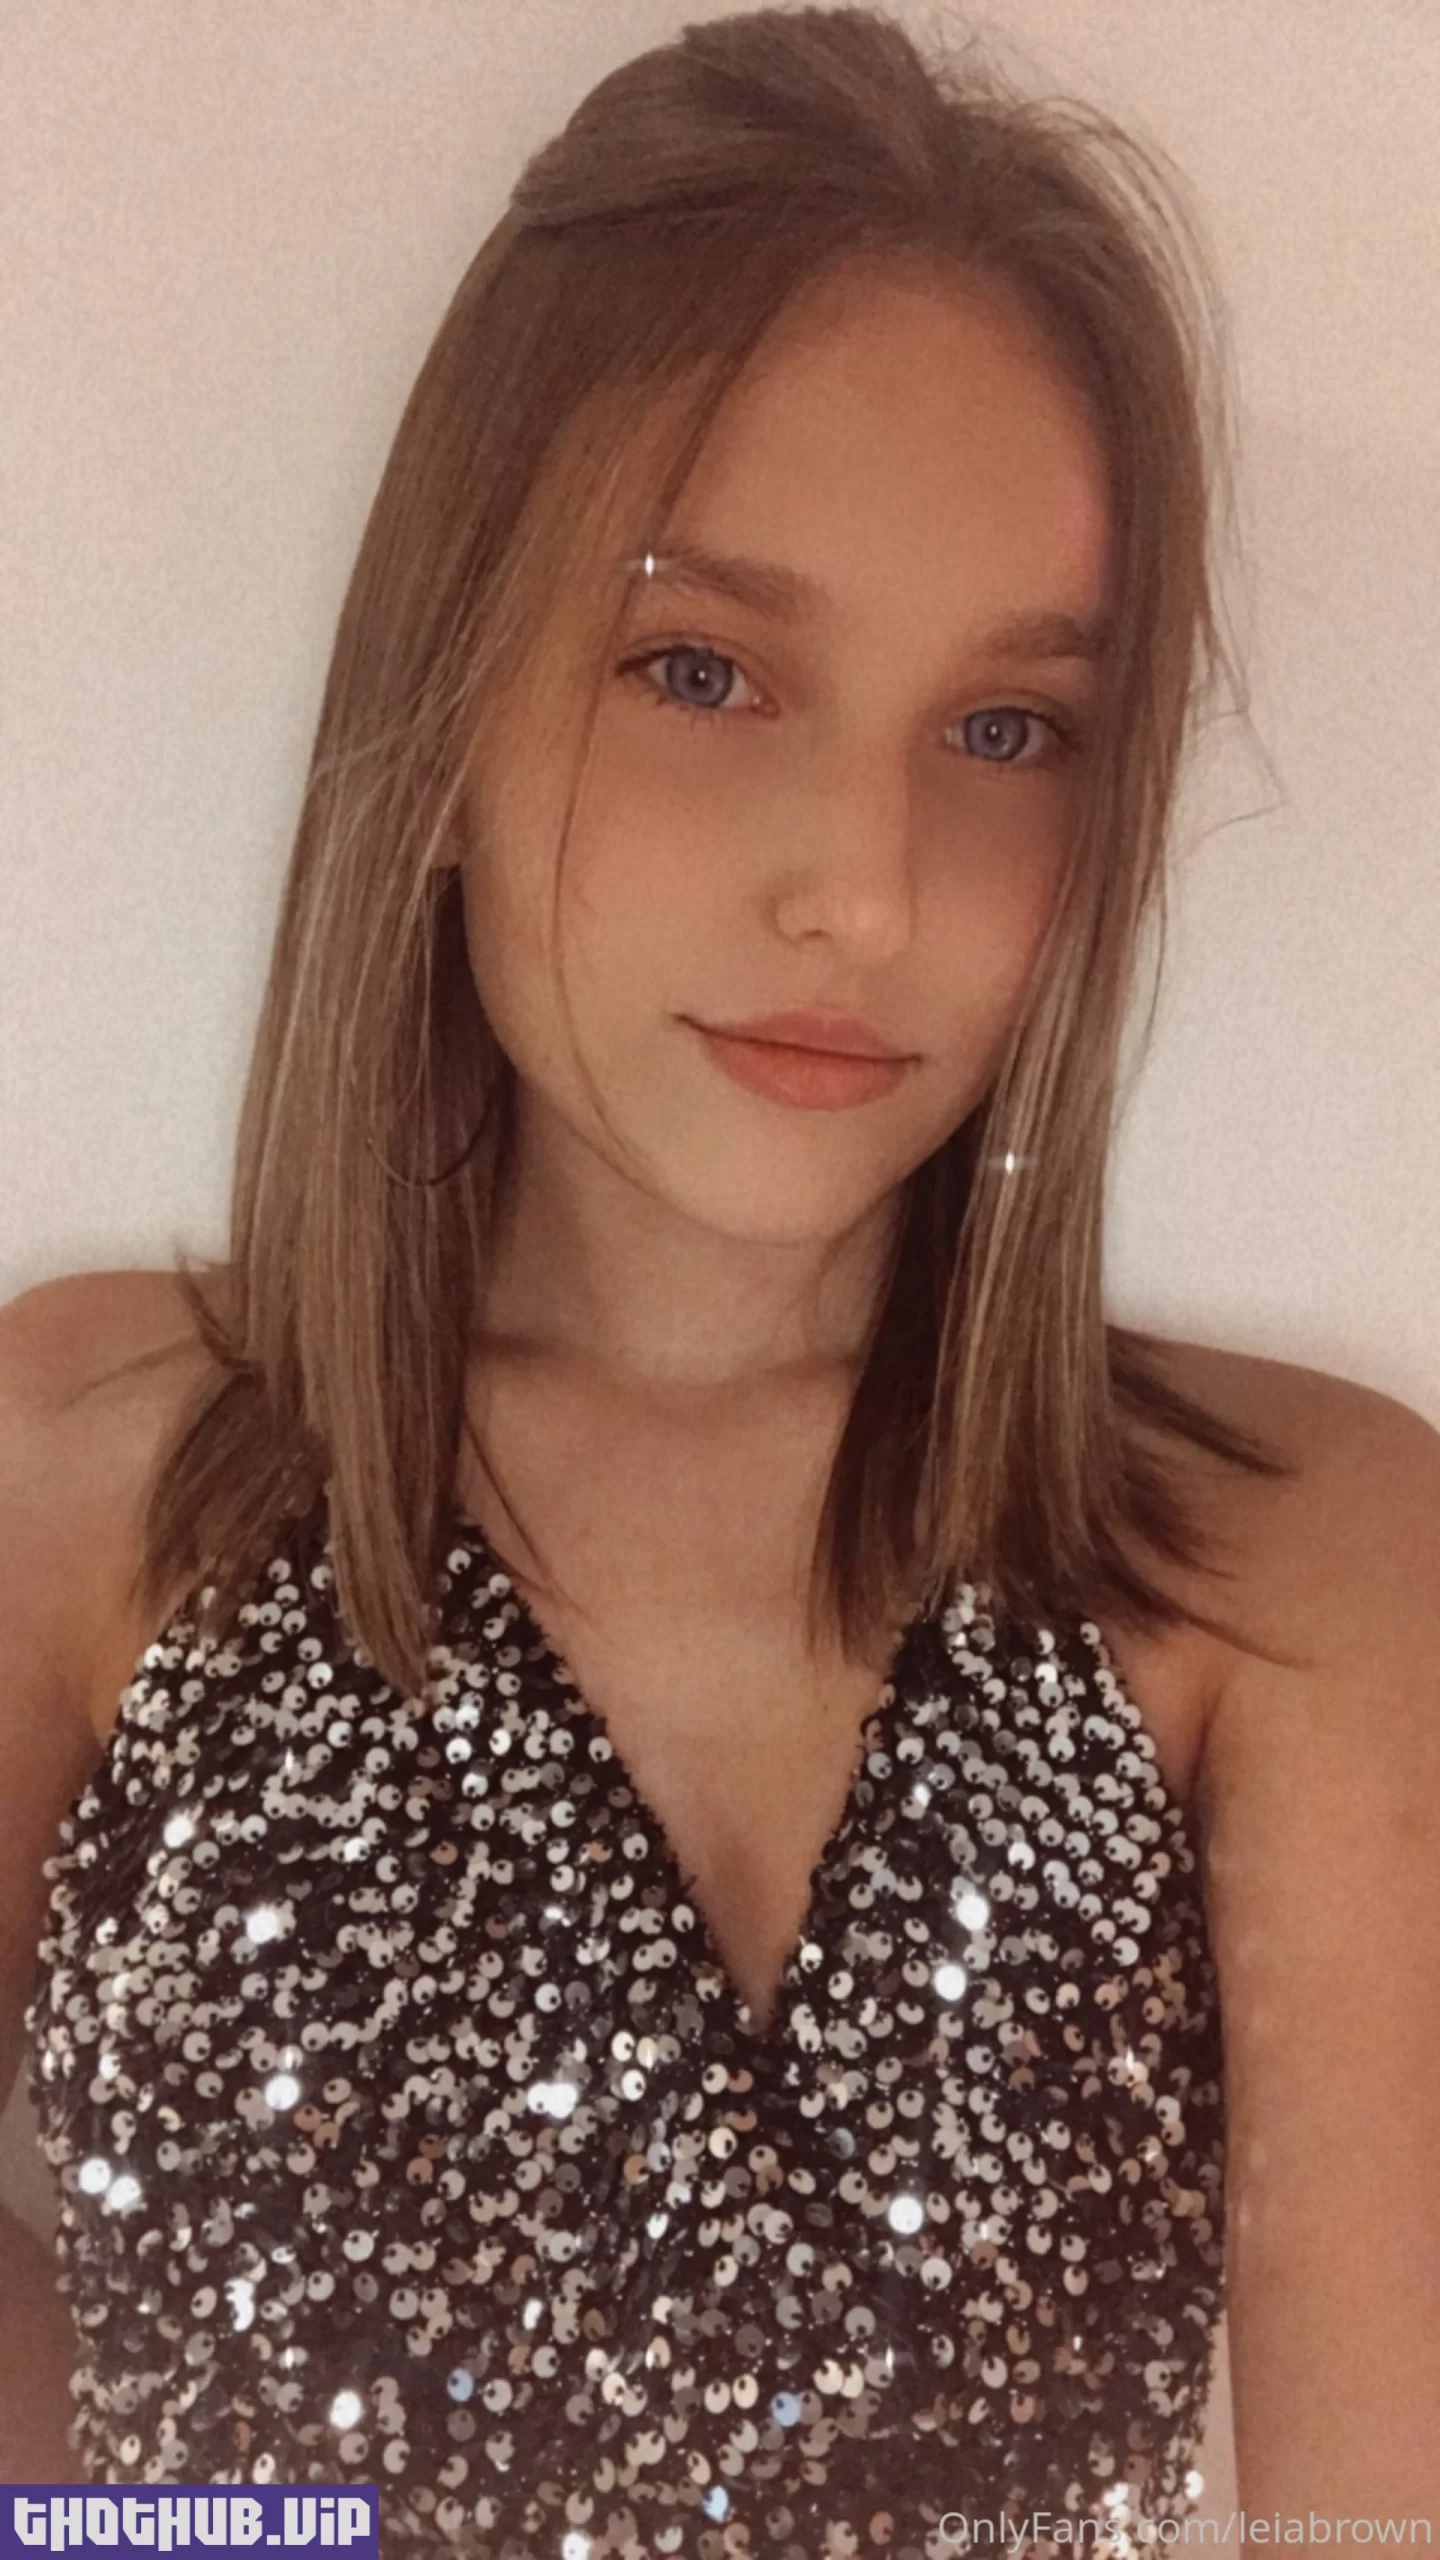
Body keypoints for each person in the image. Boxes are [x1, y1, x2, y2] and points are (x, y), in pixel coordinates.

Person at [2, 4, 1437, 2552]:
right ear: (443, 706)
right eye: (702, 670)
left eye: (1009, 729)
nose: (863, 889)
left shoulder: (1298, 1564)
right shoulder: (82, 1479)